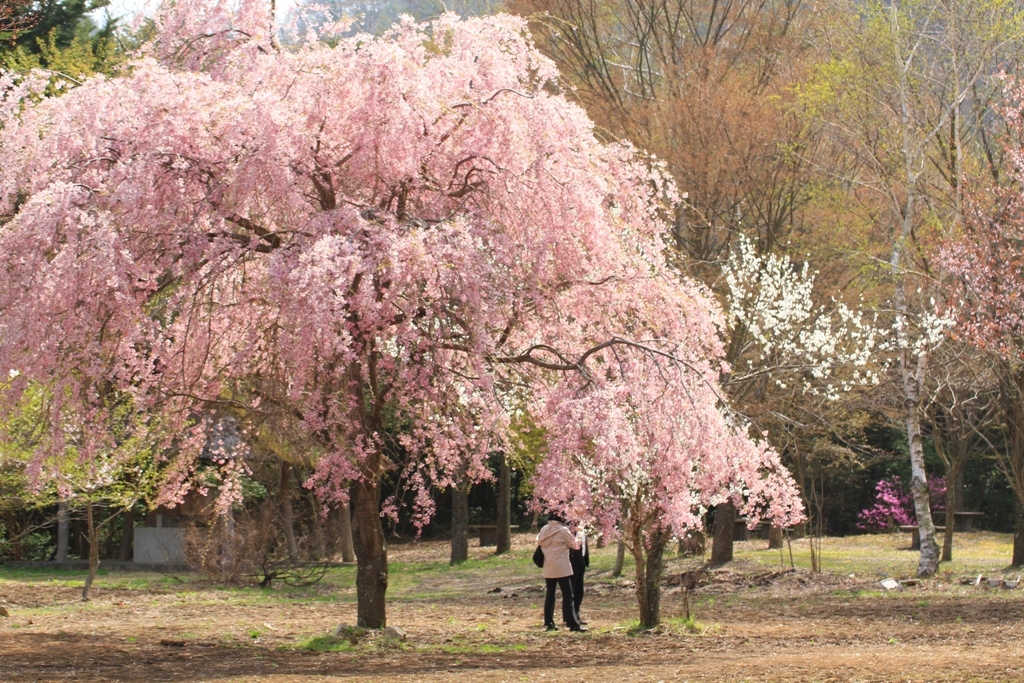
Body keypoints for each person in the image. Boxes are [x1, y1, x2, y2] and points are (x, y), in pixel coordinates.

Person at [537, 512, 587, 632]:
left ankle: (548, 623)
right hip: (562, 567)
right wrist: (579, 532)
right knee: (568, 595)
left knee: (550, 595)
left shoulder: (544, 530)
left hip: (549, 566)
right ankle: (572, 623)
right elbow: (575, 545)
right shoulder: (563, 530)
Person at [569, 523, 589, 624]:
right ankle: (570, 616)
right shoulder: (570, 525)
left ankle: (576, 613)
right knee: (572, 590)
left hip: (581, 561)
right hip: (572, 561)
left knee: (579, 590)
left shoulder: (582, 524)